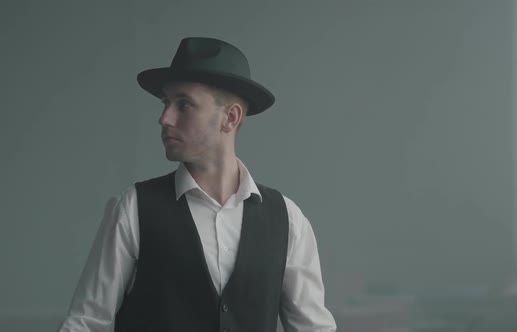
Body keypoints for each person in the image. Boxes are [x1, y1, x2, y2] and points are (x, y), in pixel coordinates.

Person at [58, 37, 337, 332]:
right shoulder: (133, 208)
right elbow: (87, 323)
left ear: (230, 118)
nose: (164, 118)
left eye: (184, 104)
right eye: (166, 103)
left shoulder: (287, 219)